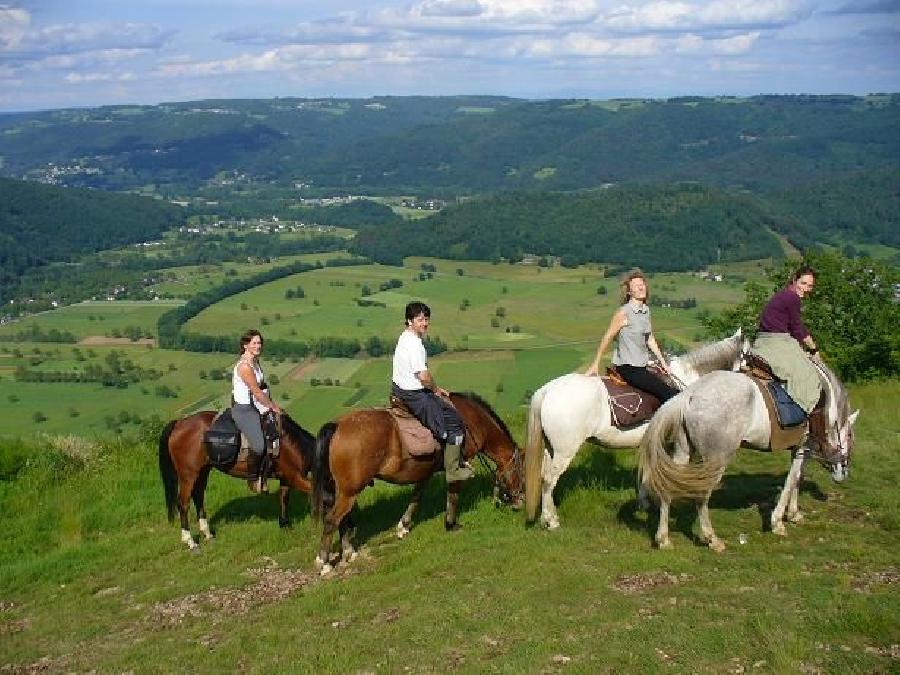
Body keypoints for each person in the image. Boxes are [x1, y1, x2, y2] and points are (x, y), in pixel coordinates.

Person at [391, 301, 473, 484]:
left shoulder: (404, 337)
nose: (425, 323)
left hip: (398, 390)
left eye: (426, 319)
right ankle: (453, 471)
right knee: (454, 422)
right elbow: (424, 376)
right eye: (420, 319)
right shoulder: (415, 345)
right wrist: (436, 390)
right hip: (414, 396)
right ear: (409, 321)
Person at [750, 266, 829, 455]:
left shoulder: (783, 295)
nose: (806, 288)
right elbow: (798, 329)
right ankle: (811, 430)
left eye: (810, 286)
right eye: (804, 283)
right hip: (778, 342)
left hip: (764, 341)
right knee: (809, 378)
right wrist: (814, 349)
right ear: (794, 280)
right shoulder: (792, 297)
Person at [585, 269, 679, 402]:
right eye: (636, 285)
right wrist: (595, 364)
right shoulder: (624, 312)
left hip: (642, 366)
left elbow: (650, 338)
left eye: (642, 283)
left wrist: (664, 363)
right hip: (628, 368)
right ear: (629, 292)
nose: (641, 287)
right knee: (669, 393)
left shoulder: (646, 311)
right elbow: (607, 336)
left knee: (673, 388)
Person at [232, 329, 281, 493]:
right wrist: (273, 406)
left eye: (260, 343)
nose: (258, 346)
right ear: (246, 345)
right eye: (254, 343)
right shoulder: (245, 367)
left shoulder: (255, 362)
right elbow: (256, 391)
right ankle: (252, 478)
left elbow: (262, 387)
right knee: (259, 445)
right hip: (245, 410)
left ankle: (268, 472)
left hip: (258, 405)